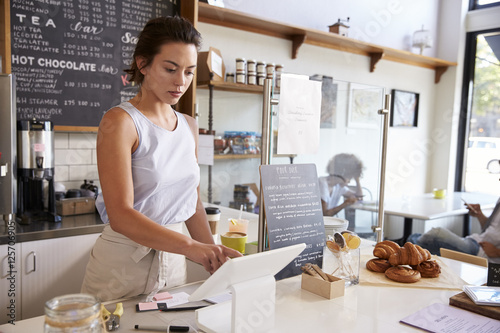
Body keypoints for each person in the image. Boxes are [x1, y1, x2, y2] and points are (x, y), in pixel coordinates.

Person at [81, 16, 241, 302]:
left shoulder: (189, 126)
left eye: (189, 72)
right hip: (121, 267)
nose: (181, 82)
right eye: (171, 69)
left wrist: (217, 258)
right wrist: (191, 247)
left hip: (174, 264)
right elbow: (120, 216)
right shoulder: (120, 121)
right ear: (143, 64)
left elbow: (190, 203)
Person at [407, 197, 500, 263]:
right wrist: (479, 215)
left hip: (482, 252)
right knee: (431, 251)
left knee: (435, 234)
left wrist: (496, 252)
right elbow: (490, 229)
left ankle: (409, 248)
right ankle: (410, 249)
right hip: (475, 241)